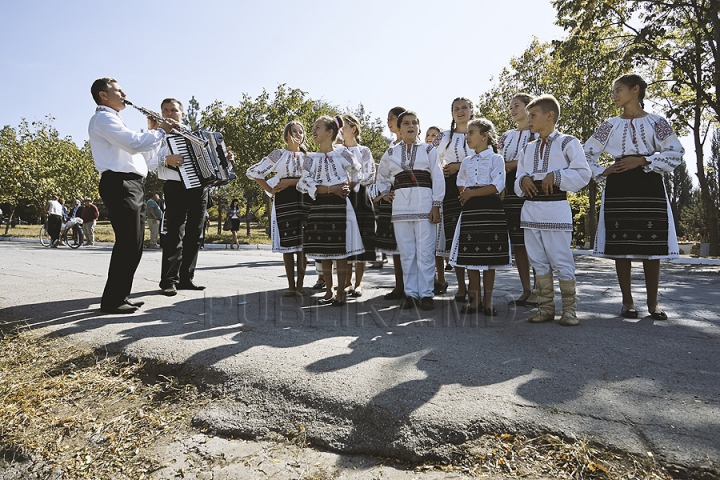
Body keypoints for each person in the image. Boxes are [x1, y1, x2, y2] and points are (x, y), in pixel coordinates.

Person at [584, 74, 684, 320]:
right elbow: (585, 154)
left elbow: (676, 152)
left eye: (618, 89)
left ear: (635, 89)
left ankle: (653, 303)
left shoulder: (657, 122)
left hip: (648, 182)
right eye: (613, 91)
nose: (614, 95)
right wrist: (603, 170)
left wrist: (643, 160)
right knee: (622, 243)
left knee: (652, 242)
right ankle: (627, 302)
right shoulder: (608, 125)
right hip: (619, 184)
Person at [88, 77, 178, 314]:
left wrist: (153, 132)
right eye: (118, 90)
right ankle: (112, 300)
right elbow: (134, 144)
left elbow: (145, 160)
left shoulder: (116, 121)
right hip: (119, 183)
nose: (124, 93)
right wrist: (159, 131)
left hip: (132, 184)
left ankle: (120, 296)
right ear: (103, 96)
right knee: (128, 242)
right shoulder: (103, 118)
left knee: (135, 243)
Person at [515, 94, 591, 326]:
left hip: (556, 209)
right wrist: (523, 180)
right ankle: (545, 307)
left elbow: (583, 173)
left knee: (561, 259)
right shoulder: (527, 149)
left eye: (533, 115)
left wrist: (557, 176)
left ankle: (569, 310)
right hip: (530, 211)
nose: (529, 120)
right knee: (537, 260)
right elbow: (518, 178)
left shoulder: (568, 142)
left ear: (550, 116)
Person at [373, 111, 444, 310]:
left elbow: (438, 178)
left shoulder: (429, 151)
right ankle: (411, 293)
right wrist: (386, 193)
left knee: (425, 253)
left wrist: (436, 205)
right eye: (406, 123)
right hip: (401, 209)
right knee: (407, 253)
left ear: (419, 128)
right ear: (400, 128)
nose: (410, 126)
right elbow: (382, 177)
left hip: (425, 208)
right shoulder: (391, 153)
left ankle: (427, 294)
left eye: (414, 122)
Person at [148, 98, 218, 295]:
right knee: (174, 234)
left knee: (196, 234)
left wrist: (224, 159)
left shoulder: (196, 135)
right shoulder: (157, 135)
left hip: (199, 189)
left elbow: (212, 156)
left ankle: (187, 278)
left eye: (173, 110)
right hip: (175, 187)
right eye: (165, 110)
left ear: (183, 114)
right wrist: (165, 160)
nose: (169, 114)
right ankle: (168, 281)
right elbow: (146, 161)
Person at [297, 115, 364, 306]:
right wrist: (327, 189)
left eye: (317, 127)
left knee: (340, 251)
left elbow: (357, 171)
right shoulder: (310, 158)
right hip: (319, 205)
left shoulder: (342, 154)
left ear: (329, 132)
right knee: (324, 250)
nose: (313, 131)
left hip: (340, 205)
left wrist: (349, 188)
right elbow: (303, 182)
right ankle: (329, 291)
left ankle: (341, 292)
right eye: (313, 128)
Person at [451, 118, 511, 315]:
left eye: (471, 132)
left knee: (489, 258)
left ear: (484, 136)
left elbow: (497, 185)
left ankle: (488, 302)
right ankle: (474, 301)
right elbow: (460, 180)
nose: (467, 137)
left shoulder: (496, 159)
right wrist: (464, 194)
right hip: (471, 209)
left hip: (490, 208)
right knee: (471, 257)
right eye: (467, 133)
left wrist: (471, 193)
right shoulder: (467, 161)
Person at [247, 121, 311, 296]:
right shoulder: (279, 154)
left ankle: (300, 286)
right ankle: (291, 286)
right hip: (285, 199)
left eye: (301, 131)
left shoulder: (309, 157)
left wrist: (292, 181)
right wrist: (269, 188)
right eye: (294, 131)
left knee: (302, 246)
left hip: (305, 199)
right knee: (288, 245)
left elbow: (313, 180)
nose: (299, 134)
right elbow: (253, 172)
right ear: (287, 135)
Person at [432, 97, 474, 302]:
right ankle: (461, 286)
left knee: (472, 236)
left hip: (476, 187)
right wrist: (445, 170)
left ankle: (475, 287)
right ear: (451, 114)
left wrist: (459, 166)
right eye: (456, 109)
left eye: (464, 108)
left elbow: (488, 157)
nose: (460, 111)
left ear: (471, 111)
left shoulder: (479, 132)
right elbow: (432, 160)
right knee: (453, 237)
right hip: (450, 190)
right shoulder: (444, 136)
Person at [499, 93, 538, 307]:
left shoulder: (538, 132)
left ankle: (541, 289)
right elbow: (498, 159)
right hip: (509, 188)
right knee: (518, 242)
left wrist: (512, 165)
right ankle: (526, 289)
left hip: (531, 186)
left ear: (528, 107)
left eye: (517, 105)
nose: (512, 109)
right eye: (511, 106)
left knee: (534, 239)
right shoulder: (506, 136)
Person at [341, 113, 377, 297]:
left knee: (362, 238)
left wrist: (355, 181)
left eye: (343, 126)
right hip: (342, 196)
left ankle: (358, 283)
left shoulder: (364, 151)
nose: (340, 130)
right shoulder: (336, 150)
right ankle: (346, 282)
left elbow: (371, 174)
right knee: (346, 239)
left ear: (353, 128)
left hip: (361, 196)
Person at [372, 106, 406, 300]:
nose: (388, 122)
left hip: (410, 198)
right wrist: (384, 194)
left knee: (412, 245)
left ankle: (418, 286)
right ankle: (399, 285)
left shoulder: (415, 144)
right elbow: (383, 175)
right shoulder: (391, 148)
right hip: (392, 199)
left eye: (391, 118)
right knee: (396, 247)